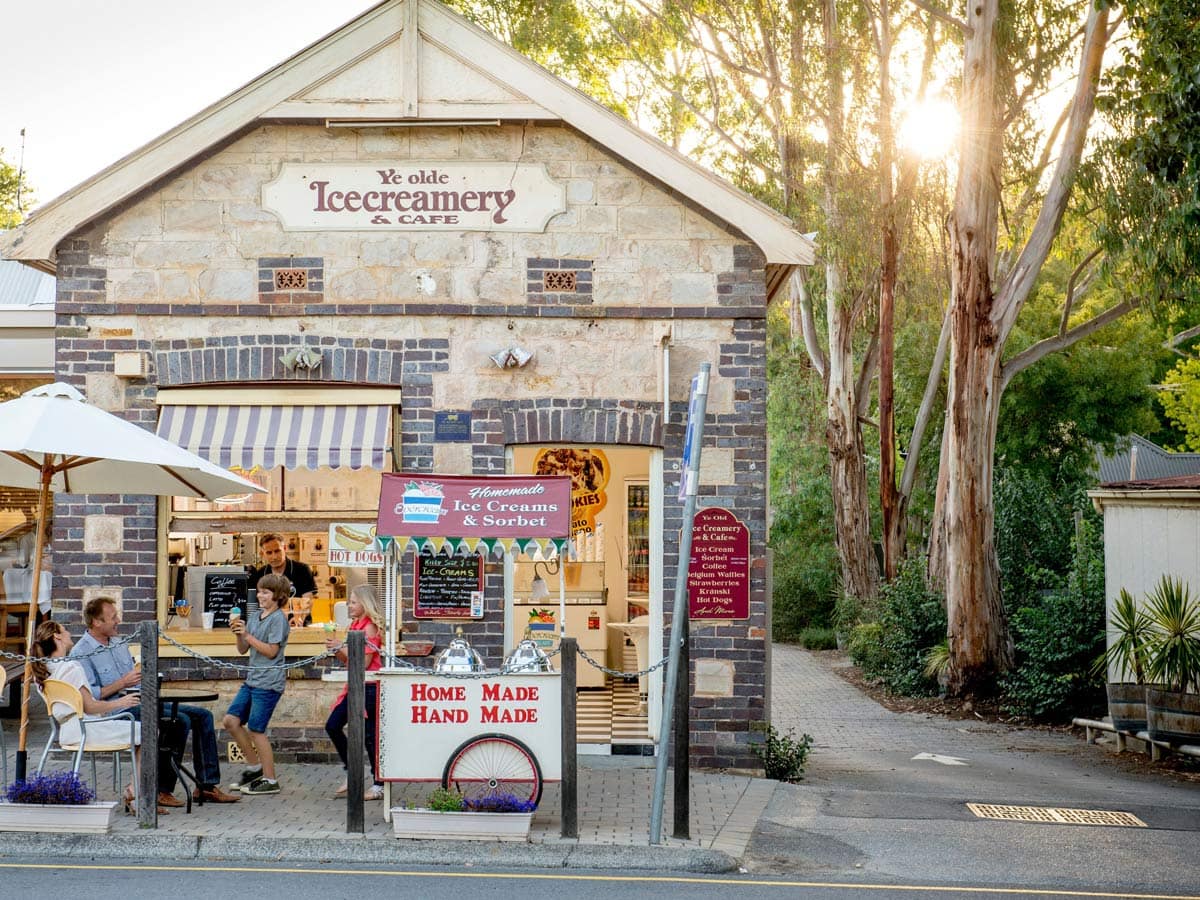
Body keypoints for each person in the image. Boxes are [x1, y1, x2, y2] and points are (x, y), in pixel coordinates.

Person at [71, 596, 239, 805]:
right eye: (113, 617)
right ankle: (162, 790)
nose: (119, 621)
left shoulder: (118, 643)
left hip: (142, 700)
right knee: (180, 721)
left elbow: (135, 678)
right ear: (97, 622)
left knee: (203, 716)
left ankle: (206, 786)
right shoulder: (81, 652)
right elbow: (91, 697)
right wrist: (123, 683)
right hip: (116, 709)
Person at [29, 620, 165, 815]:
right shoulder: (71, 668)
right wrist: (122, 702)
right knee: (149, 731)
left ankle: (136, 791)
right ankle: (134, 792)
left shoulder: (42, 672)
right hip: (88, 729)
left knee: (140, 730)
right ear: (57, 637)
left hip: (67, 731)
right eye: (64, 630)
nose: (68, 633)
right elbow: (91, 707)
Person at [223, 572, 290, 796]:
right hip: (253, 679)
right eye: (259, 591)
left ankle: (270, 780)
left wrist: (248, 637)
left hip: (269, 682)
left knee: (256, 729)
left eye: (266, 592)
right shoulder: (255, 616)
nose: (260, 595)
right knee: (231, 721)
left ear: (278, 596)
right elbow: (242, 649)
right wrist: (238, 634)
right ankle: (254, 767)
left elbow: (272, 651)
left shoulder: (279, 618)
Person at [324, 584, 384, 801]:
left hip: (368, 686)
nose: (349, 605)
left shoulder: (369, 628)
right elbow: (350, 660)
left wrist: (343, 646)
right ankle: (353, 770)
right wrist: (337, 649)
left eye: (353, 602)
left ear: (365, 604)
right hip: (355, 685)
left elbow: (365, 661)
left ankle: (379, 784)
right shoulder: (355, 625)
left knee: (370, 736)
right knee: (333, 724)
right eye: (349, 601)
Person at [251, 533, 316, 627]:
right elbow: (258, 604)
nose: (274, 557)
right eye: (269, 553)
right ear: (262, 554)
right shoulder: (260, 574)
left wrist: (299, 617)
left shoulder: (302, 570)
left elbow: (308, 599)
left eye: (277, 551)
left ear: (285, 548)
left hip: (298, 626)